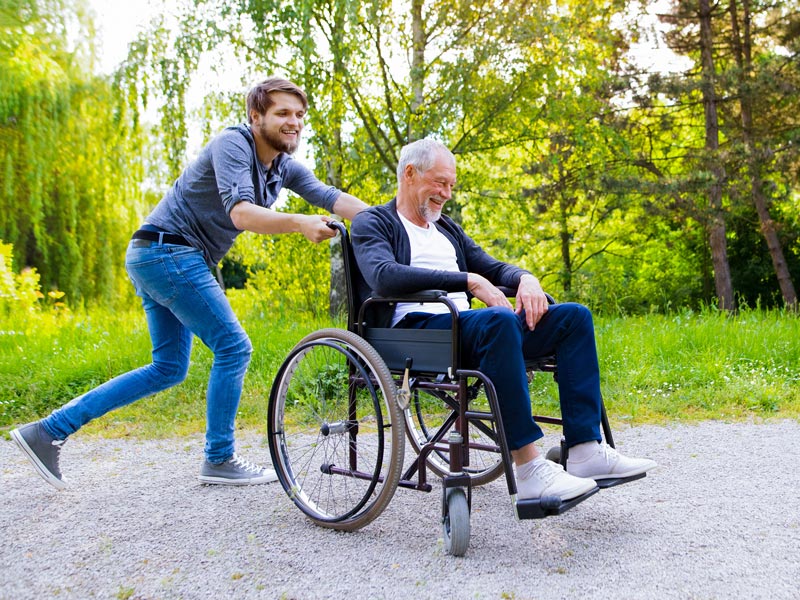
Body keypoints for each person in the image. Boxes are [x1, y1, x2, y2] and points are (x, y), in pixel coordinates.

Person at [12, 77, 368, 490]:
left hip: (158, 255)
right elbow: (242, 214)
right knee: (234, 347)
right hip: (170, 251)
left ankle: (48, 430)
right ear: (256, 117)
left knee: (167, 368)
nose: (294, 123)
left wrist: (387, 220)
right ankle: (219, 458)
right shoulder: (233, 144)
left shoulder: (282, 166)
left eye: (300, 115)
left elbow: (327, 195)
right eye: (283, 113)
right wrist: (299, 223)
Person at [350, 138, 656, 502]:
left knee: (573, 317)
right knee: (498, 320)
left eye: (451, 185)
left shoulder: (447, 230)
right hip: (417, 335)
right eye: (441, 183)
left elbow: (492, 266)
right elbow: (384, 276)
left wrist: (525, 278)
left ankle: (585, 450)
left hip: (470, 330)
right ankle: (528, 468)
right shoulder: (374, 222)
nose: (447, 193)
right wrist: (468, 281)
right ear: (410, 173)